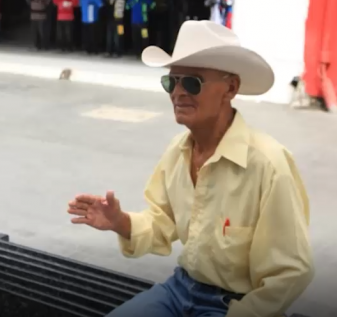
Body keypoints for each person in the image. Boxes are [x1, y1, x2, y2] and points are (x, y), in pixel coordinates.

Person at [67, 20, 314, 317]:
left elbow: (290, 272)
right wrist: (120, 221)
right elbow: (161, 221)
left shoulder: (269, 163)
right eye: (172, 82)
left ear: (230, 87)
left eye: (193, 82)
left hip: (236, 306)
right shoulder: (178, 150)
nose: (178, 92)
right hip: (179, 290)